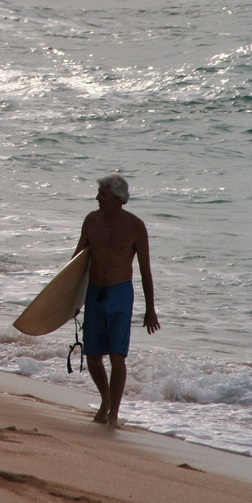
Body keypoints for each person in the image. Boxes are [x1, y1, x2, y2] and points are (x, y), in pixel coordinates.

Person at [72, 174, 160, 429]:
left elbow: (145, 270)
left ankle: (113, 413)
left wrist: (150, 310)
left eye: (102, 194)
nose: (97, 198)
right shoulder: (91, 221)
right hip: (94, 291)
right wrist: (70, 300)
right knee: (92, 356)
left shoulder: (135, 226)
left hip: (120, 294)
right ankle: (105, 399)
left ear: (118, 199)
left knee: (117, 357)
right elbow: (76, 261)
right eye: (99, 194)